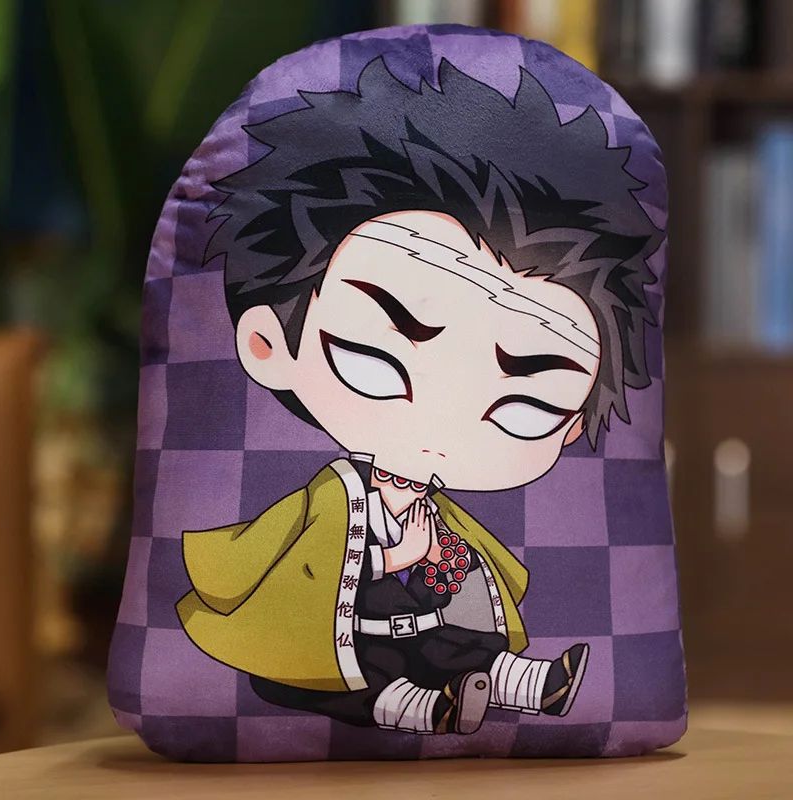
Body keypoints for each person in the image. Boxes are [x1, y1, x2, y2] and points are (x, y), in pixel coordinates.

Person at [176, 57, 660, 735]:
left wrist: (438, 560)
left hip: (417, 625)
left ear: (571, 426)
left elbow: (464, 575)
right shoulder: (331, 500)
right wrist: (395, 556)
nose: (439, 424)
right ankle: (415, 705)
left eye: (526, 407)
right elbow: (304, 573)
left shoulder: (435, 509)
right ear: (267, 344)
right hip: (346, 639)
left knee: (455, 637)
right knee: (307, 673)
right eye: (376, 362)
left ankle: (517, 681)